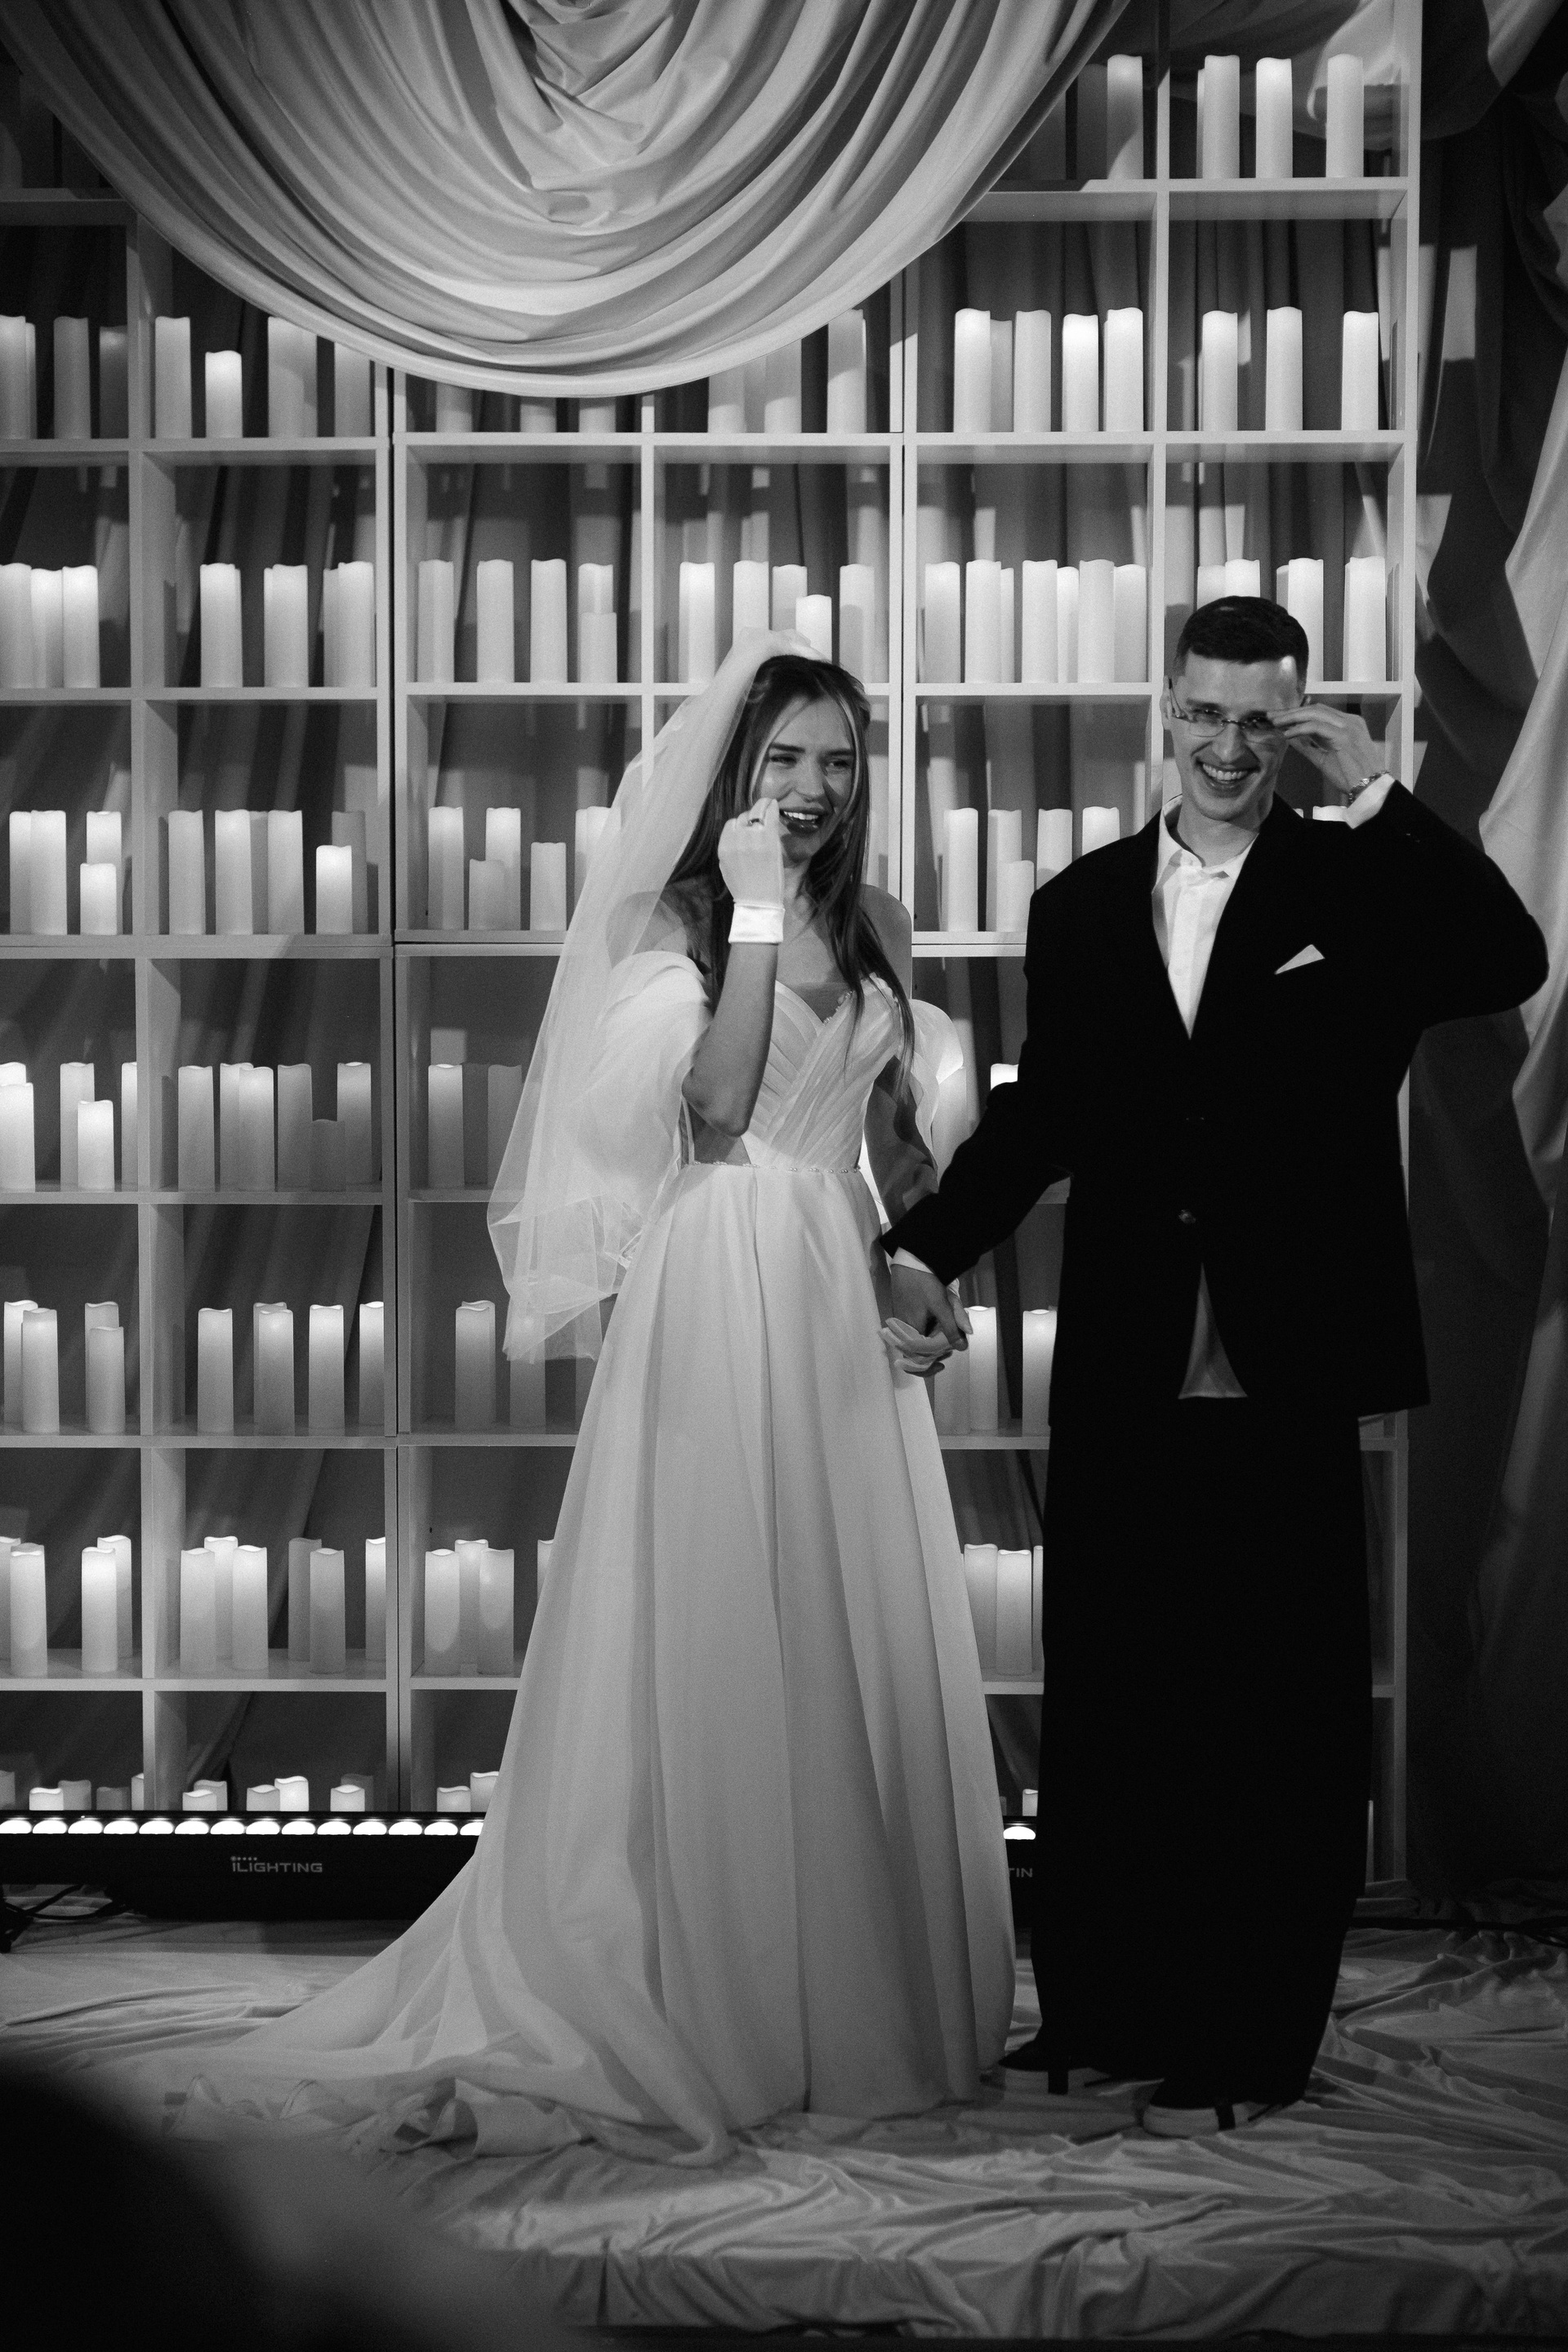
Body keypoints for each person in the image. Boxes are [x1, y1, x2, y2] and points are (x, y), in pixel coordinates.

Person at [131, 632, 1013, 2163]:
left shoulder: (879, 922)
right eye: (784, 758)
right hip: (716, 1279)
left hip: (828, 1286)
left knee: (833, 1620)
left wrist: (906, 1270)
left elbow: (880, 1140)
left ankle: (844, 1996)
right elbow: (717, 1108)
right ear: (735, 770)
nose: (813, 786)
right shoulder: (679, 917)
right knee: (724, 1613)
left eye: (837, 758)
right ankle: (712, 1987)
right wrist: (750, 910)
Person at [884, 596, 1548, 2137]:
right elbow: (1045, 1115)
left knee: (1274, 1716)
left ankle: (1252, 2036)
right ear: (1165, 714)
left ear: (1296, 725)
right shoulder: (1082, 904)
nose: (1231, 748)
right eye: (1206, 715)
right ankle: (1108, 2010)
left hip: (1288, 1351)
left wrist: (1382, 797)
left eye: (1263, 721)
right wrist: (922, 1247)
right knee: (1116, 1689)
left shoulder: (1354, 881)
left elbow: (1505, 956)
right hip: (1128, 1348)